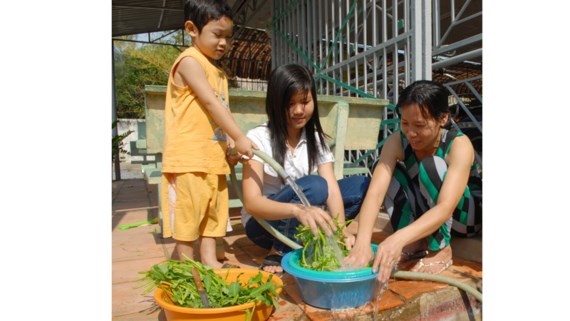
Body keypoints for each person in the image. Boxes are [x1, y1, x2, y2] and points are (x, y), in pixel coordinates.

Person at [344, 80, 482, 283]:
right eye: (405, 123)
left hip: (466, 218)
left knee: (431, 167)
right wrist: (362, 243)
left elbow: (445, 207)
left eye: (419, 125)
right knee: (382, 170)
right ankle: (416, 243)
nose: (411, 133)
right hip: (431, 213)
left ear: (443, 118)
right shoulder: (397, 141)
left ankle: (441, 249)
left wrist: (397, 238)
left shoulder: (458, 145)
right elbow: (375, 194)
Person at [240, 64, 371, 275]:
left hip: (303, 216)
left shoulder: (316, 139)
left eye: (305, 101)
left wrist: (340, 230)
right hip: (265, 226)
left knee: (361, 185)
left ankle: (321, 232)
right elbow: (252, 203)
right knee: (315, 186)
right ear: (275, 104)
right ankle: (279, 249)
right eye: (290, 103)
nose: (299, 110)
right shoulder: (258, 138)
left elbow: (332, 187)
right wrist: (297, 210)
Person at [160, 0, 257, 269]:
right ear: (192, 29)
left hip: (212, 158)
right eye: (217, 34)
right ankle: (188, 265)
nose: (224, 43)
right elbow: (212, 105)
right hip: (189, 158)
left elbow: (217, 115)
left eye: (228, 36)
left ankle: (209, 260)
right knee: (190, 213)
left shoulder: (218, 72)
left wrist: (228, 148)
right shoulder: (190, 62)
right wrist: (239, 136)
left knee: (214, 212)